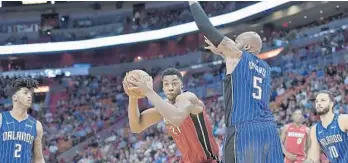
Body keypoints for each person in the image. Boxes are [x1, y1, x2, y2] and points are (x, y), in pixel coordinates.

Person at [188, 1, 283, 162]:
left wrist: (193, 2)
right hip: (269, 130)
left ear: (245, 46)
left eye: (236, 40)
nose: (233, 43)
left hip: (243, 128)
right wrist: (223, 53)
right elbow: (241, 66)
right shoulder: (265, 68)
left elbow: (205, 27)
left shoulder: (237, 55)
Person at [124, 68, 220, 163]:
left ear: (182, 85)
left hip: (208, 160)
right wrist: (132, 94)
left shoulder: (188, 97)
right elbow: (136, 127)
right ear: (163, 88)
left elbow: (176, 118)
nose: (170, 87)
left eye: (174, 83)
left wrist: (148, 91)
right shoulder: (164, 108)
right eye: (166, 84)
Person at [0, 78, 45, 163]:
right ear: (14, 97)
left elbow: (39, 158)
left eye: (30, 93)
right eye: (25, 93)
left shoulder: (36, 125)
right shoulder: (1, 119)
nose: (29, 96)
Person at [305, 90, 348, 163]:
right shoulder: (315, 129)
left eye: (323, 100)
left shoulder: (342, 119)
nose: (319, 103)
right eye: (317, 101)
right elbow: (313, 158)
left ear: (331, 104)